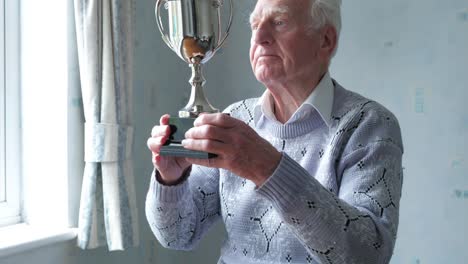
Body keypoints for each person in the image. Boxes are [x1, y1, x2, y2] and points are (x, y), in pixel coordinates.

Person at [146, 0, 404, 263]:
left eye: (279, 23)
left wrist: (266, 166)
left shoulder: (368, 124)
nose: (258, 37)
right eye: (255, 25)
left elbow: (367, 254)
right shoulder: (235, 118)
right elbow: (177, 235)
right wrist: (170, 179)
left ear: (325, 40)